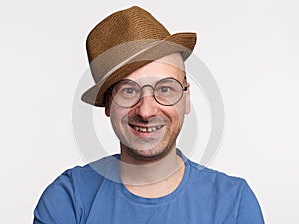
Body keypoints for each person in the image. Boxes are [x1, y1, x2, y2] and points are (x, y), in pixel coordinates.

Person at [33, 6, 264, 223]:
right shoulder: (69, 200)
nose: (146, 111)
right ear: (107, 104)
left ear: (186, 98)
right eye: (128, 91)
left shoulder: (233, 203)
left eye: (165, 89)